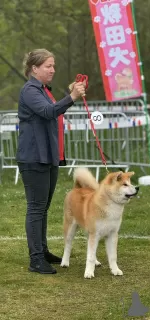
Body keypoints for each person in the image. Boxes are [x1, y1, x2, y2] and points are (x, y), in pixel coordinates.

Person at [16, 48, 86, 274]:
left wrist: (69, 96)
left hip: (48, 156)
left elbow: (53, 110)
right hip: (34, 158)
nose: (52, 70)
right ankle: (35, 259)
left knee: (43, 208)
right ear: (34, 69)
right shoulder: (30, 90)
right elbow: (48, 112)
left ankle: (42, 251)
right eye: (48, 66)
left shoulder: (44, 90)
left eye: (53, 65)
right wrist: (72, 97)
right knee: (36, 208)